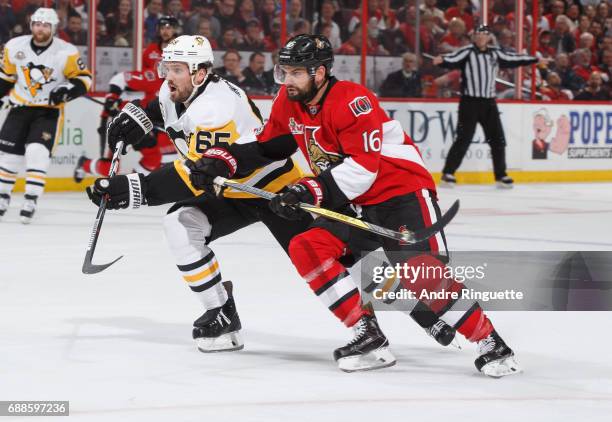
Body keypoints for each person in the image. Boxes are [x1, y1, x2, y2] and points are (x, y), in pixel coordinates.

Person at [188, 34, 521, 377]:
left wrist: (307, 191)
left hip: (400, 193)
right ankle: (368, 335)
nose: (286, 80)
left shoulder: (352, 100)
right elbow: (267, 147)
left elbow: (364, 168)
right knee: (308, 246)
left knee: (421, 275)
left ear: (319, 73)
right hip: (356, 200)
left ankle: (491, 342)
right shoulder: (290, 103)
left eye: (295, 73)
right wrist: (222, 160)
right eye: (283, 72)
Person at [85, 35, 307, 353]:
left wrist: (135, 189)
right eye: (167, 67)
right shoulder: (180, 88)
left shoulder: (217, 108)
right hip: (229, 190)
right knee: (180, 224)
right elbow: (162, 107)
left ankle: (403, 302)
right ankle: (221, 314)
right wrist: (137, 118)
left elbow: (197, 175)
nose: (168, 76)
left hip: (272, 188)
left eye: (176, 69)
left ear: (200, 73)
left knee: (334, 259)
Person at [0, 7, 91, 223]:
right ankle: (2, 197)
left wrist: (67, 90)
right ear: (32, 25)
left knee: (36, 151)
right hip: (20, 108)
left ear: (53, 28)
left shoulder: (66, 51)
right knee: (9, 156)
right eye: (37, 24)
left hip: (47, 111)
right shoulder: (14, 46)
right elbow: (6, 77)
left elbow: (84, 79)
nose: (40, 29)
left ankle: (30, 199)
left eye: (45, 25)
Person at [432, 25, 541, 188]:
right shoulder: (467, 52)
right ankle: (448, 173)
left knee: (497, 139)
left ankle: (500, 175)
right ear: (474, 37)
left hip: (489, 103)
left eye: (484, 34)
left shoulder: (495, 53)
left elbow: (513, 59)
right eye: (478, 34)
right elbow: (452, 59)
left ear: (489, 37)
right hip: (470, 102)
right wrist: (442, 61)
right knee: (464, 138)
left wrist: (535, 59)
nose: (481, 37)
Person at [73, 15, 179, 182]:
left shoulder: (179, 85)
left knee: (154, 157)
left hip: (144, 121)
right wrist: (111, 99)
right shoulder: (152, 76)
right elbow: (120, 79)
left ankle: (129, 184)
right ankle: (84, 164)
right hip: (121, 119)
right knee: (111, 168)